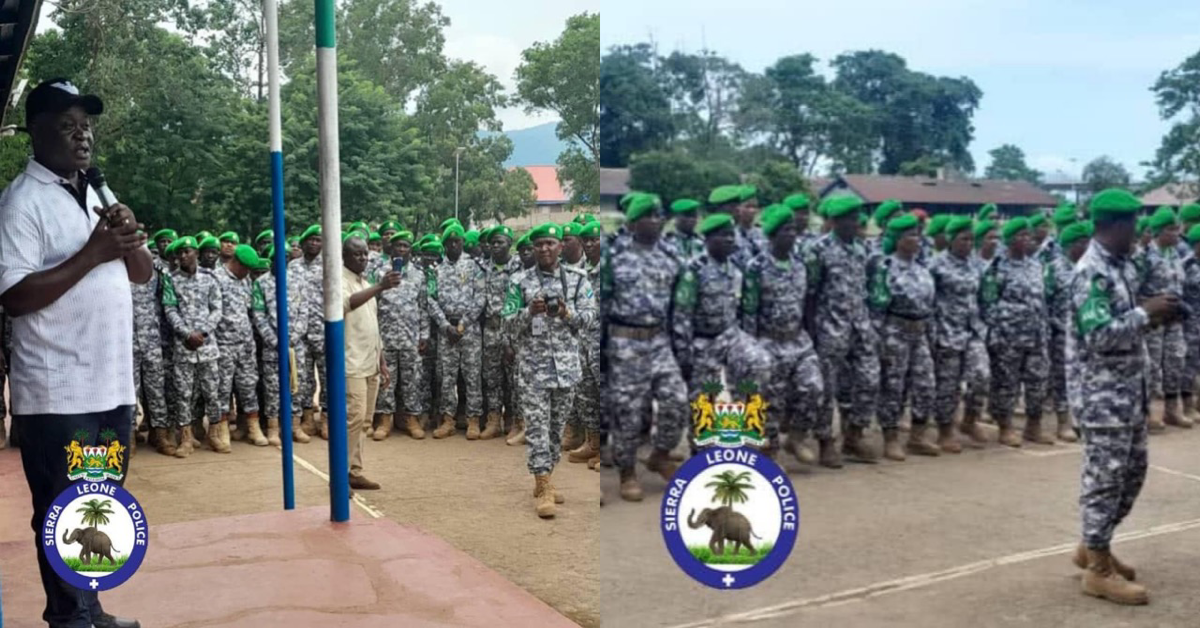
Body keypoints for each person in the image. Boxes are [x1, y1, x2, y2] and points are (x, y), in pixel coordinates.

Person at [0, 77, 147, 628]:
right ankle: (70, 619)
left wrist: (127, 236)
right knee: (63, 511)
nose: (82, 138)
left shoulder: (97, 193)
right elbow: (14, 297)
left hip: (108, 389)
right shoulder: (20, 203)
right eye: (67, 126)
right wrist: (92, 252)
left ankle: (87, 608)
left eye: (86, 127)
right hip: (60, 396)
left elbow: (140, 274)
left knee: (97, 506)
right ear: (35, 132)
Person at [1067, 188, 1179, 605]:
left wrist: (1158, 313)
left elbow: (1127, 327)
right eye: (1132, 224)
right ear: (1113, 225)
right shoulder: (1091, 271)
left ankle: (1094, 544)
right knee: (1106, 479)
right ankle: (1097, 569)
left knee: (1132, 474)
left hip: (1129, 389)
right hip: (1102, 395)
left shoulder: (1122, 267)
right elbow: (1098, 336)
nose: (1137, 232)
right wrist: (1144, 313)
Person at [502, 222, 596, 517]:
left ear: (560, 247)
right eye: (539, 244)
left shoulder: (579, 280)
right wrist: (528, 311)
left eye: (550, 244)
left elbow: (591, 318)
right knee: (538, 428)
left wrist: (567, 312)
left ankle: (548, 476)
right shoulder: (519, 282)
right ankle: (542, 484)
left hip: (567, 368)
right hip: (533, 368)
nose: (544, 249)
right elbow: (507, 322)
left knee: (557, 430)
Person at [600, 194, 688, 501]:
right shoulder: (613, 255)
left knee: (677, 400)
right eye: (650, 215)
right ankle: (627, 472)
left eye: (660, 214)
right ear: (634, 222)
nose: (658, 220)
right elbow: (604, 302)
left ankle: (660, 454)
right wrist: (602, 350)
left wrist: (681, 345)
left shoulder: (671, 255)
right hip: (625, 341)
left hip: (660, 340)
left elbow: (679, 304)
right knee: (628, 412)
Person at [736, 207, 823, 464]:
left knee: (813, 387)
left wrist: (811, 334)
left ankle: (795, 438)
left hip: (798, 340)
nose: (792, 235)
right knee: (770, 401)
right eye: (786, 231)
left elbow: (807, 303)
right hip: (768, 341)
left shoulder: (800, 264)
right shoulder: (756, 267)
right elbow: (749, 311)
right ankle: (768, 453)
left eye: (794, 230)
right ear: (772, 236)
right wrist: (751, 350)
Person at [804, 195, 881, 462]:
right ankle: (826, 440)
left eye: (856, 218)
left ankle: (855, 434)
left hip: (859, 326)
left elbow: (866, 288)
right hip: (829, 327)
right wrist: (812, 331)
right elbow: (810, 294)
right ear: (835, 221)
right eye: (848, 219)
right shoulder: (818, 250)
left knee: (869, 380)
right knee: (828, 388)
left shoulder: (862, 249)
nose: (854, 223)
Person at [869, 214, 942, 460]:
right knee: (893, 386)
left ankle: (918, 436)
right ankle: (891, 438)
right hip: (894, 332)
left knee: (926, 384)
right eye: (910, 235)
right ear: (898, 240)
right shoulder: (885, 268)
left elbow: (930, 306)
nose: (917, 239)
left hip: (919, 333)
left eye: (917, 234)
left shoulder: (922, 269)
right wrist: (877, 339)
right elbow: (877, 308)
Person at [981, 217, 1051, 447]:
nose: (1026, 239)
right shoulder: (996, 266)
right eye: (1021, 235)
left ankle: (1034, 425)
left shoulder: (1035, 265)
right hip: (1008, 335)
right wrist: (1002, 326)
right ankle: (1006, 426)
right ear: (1010, 240)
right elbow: (989, 302)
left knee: (1037, 380)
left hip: (1036, 333)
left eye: (1028, 235)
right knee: (1007, 382)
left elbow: (1041, 299)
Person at [342, 236, 396, 490]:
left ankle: (354, 471)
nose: (363, 258)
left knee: (364, 421)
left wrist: (382, 361)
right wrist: (380, 287)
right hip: (351, 363)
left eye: (365, 254)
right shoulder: (340, 280)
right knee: (353, 419)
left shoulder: (365, 283)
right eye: (357, 254)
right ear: (345, 256)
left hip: (370, 362)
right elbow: (347, 304)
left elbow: (372, 326)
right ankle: (340, 476)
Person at [162, 236, 224, 455]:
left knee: (212, 393)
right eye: (180, 253)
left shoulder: (210, 279)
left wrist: (203, 332)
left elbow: (217, 309)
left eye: (187, 251)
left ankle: (214, 435)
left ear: (196, 253)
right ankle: (186, 439)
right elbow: (170, 310)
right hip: (184, 347)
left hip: (207, 347)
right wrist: (187, 334)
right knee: (183, 394)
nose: (183, 256)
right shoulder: (170, 280)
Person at [931, 216, 988, 448]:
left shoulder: (975, 264)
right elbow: (929, 299)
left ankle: (970, 420)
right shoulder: (936, 265)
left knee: (981, 376)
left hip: (972, 330)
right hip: (947, 331)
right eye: (964, 239)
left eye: (971, 240)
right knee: (948, 384)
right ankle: (945, 430)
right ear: (951, 240)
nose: (968, 244)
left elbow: (982, 295)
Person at [428, 223, 486, 439]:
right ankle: (448, 420)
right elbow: (431, 300)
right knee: (447, 377)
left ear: (463, 243)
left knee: (472, 376)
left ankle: (473, 420)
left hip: (468, 330)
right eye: (449, 242)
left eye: (457, 241)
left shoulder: (474, 267)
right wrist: (445, 326)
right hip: (446, 331)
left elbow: (481, 297)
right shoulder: (436, 270)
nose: (453, 245)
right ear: (444, 245)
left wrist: (462, 325)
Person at [371, 231, 430, 440]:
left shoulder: (418, 274)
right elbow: (373, 305)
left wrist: (424, 335)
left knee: (411, 379)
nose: (402, 250)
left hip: (410, 336)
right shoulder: (380, 274)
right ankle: (385, 420)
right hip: (386, 336)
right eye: (398, 246)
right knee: (387, 379)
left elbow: (423, 306)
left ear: (410, 249)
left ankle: (411, 419)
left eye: (406, 246)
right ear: (391, 249)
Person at [1137, 206, 1189, 431]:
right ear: (1158, 232)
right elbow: (1135, 289)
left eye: (1177, 229)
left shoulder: (1175, 254)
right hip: (1154, 320)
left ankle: (1171, 410)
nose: (1176, 233)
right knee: (1153, 366)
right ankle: (1149, 413)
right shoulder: (1146, 256)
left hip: (1174, 319)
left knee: (1175, 362)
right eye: (1170, 229)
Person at [251, 245, 307, 444]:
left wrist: (294, 336)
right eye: (278, 258)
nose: (282, 261)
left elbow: (304, 311)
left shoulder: (298, 281)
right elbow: (259, 316)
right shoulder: (261, 283)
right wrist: (275, 341)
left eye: (285, 257)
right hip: (272, 346)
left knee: (296, 386)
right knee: (272, 388)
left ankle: (295, 426)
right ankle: (274, 428)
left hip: (295, 345)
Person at [1045, 221, 1092, 442]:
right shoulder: (1054, 268)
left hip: (1088, 334)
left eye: (1088, 241)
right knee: (1062, 378)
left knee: (1087, 377)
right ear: (1070, 245)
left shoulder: (1090, 268)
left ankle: (1083, 418)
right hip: (1061, 334)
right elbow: (1045, 300)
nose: (1087, 246)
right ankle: (1063, 421)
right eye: (1082, 242)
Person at [215, 244, 266, 445]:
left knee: (248, 384)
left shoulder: (245, 281)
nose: (247, 273)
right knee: (223, 388)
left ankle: (252, 428)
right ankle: (222, 430)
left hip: (245, 343)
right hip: (224, 343)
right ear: (235, 262)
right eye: (245, 267)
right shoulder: (217, 279)